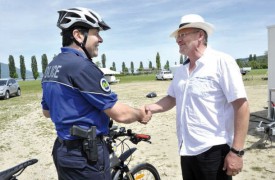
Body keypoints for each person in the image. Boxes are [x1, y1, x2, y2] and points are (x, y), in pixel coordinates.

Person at [41, 7, 151, 180]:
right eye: (96, 33)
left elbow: (47, 112)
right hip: (85, 156)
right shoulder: (81, 66)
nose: (100, 39)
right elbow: (119, 113)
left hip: (63, 151)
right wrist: (139, 114)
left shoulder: (52, 66)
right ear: (78, 35)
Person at [146, 14, 250, 180]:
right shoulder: (181, 71)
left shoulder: (222, 62)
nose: (178, 40)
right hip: (186, 149)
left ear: (200, 35)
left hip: (213, 150)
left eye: (183, 35)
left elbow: (241, 106)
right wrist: (149, 108)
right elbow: (172, 98)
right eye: (177, 36)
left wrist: (236, 152)